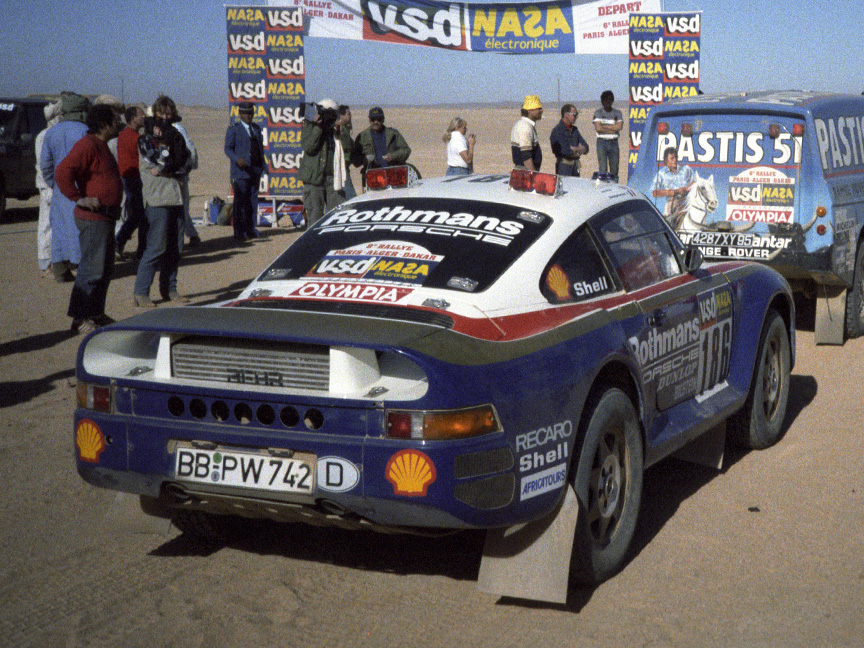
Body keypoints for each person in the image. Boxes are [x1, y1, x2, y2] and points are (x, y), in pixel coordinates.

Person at [54, 104, 123, 335]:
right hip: (93, 218)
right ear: (103, 124)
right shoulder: (87, 145)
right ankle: (79, 318)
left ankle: (95, 313)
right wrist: (78, 198)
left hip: (105, 217)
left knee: (104, 269)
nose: (119, 123)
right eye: (115, 119)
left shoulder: (101, 145)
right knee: (91, 270)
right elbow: (63, 172)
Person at [133, 114, 190, 307]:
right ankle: (141, 292)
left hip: (176, 198)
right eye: (159, 125)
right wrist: (173, 166)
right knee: (157, 246)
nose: (162, 129)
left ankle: (170, 289)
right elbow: (164, 164)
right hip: (158, 200)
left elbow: (186, 163)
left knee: (176, 247)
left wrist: (172, 166)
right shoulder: (146, 144)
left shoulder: (172, 142)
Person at [39, 93, 90, 282]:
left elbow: (45, 164)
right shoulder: (86, 131)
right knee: (80, 229)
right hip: (82, 189)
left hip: (61, 189)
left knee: (60, 228)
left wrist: (56, 183)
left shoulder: (52, 132)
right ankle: (82, 268)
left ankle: (60, 270)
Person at [153, 95, 200, 246]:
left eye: (168, 114)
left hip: (177, 176)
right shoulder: (153, 129)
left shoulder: (177, 129)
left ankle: (185, 239)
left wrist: (184, 169)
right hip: (160, 177)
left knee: (181, 209)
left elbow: (189, 149)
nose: (165, 117)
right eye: (162, 113)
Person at [299, 98, 353, 227]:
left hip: (333, 179)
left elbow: (349, 147)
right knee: (315, 218)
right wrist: (318, 127)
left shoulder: (336, 128)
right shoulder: (310, 125)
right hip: (314, 179)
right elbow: (309, 147)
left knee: (339, 215)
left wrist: (341, 131)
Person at [224, 101, 265, 241]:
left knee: (252, 201)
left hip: (255, 170)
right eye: (245, 113)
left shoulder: (257, 129)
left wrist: (263, 166)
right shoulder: (234, 129)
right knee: (240, 202)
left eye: (250, 113)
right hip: (241, 171)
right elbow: (227, 148)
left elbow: (260, 149)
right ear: (240, 114)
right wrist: (237, 159)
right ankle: (239, 232)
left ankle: (251, 229)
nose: (248, 116)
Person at [115, 105, 147, 260]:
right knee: (140, 216)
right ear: (133, 118)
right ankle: (139, 250)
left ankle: (120, 244)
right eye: (142, 115)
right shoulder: (135, 137)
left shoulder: (123, 135)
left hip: (128, 178)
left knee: (136, 215)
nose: (144, 117)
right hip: (134, 179)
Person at [35, 100, 62, 277]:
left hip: (57, 184)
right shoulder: (45, 135)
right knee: (46, 225)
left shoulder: (55, 134)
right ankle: (45, 264)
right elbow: (44, 164)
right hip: (48, 185)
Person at [352, 107, 411, 173]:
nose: (376, 122)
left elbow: (406, 150)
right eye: (373, 119)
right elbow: (355, 159)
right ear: (369, 120)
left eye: (379, 119)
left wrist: (393, 156)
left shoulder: (393, 134)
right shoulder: (362, 137)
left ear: (383, 120)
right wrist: (365, 160)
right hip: (372, 176)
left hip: (393, 173)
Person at [651, 147, 696, 229]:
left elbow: (695, 182)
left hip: (687, 201)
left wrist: (686, 189)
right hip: (672, 202)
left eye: (676, 157)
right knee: (667, 222)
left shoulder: (686, 169)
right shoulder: (661, 174)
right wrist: (672, 192)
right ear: (665, 160)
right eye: (672, 158)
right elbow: (654, 192)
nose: (675, 160)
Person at [550, 104, 589, 177]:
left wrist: (576, 149)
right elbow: (566, 151)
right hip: (564, 167)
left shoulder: (575, 130)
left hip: (575, 167)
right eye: (574, 114)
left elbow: (586, 147)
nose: (576, 117)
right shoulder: (557, 131)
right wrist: (579, 150)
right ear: (566, 115)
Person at [593, 90, 624, 181]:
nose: (608, 102)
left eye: (610, 100)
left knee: (614, 170)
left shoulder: (617, 113)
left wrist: (604, 127)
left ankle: (615, 188)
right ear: (602, 101)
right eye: (606, 100)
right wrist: (612, 128)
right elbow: (598, 128)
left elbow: (619, 127)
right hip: (602, 142)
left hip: (614, 142)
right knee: (603, 169)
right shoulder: (598, 113)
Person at [510, 95, 543, 171]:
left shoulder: (527, 125)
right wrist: (534, 176)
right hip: (525, 173)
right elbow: (526, 157)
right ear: (529, 110)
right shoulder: (524, 126)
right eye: (538, 108)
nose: (541, 110)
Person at [338, 105, 357, 200]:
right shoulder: (340, 129)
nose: (350, 116)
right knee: (351, 197)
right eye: (348, 114)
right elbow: (346, 146)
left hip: (344, 166)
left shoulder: (345, 129)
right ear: (341, 116)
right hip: (341, 167)